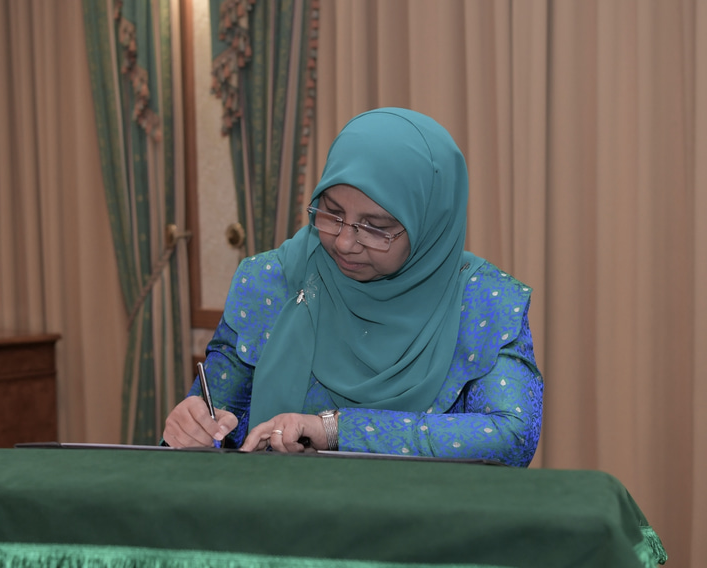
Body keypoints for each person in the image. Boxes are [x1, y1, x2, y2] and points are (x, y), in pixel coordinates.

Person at [163, 107, 543, 467]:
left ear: (431, 224)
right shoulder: (273, 281)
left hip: (426, 513)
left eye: (376, 228)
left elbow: (510, 436)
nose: (344, 243)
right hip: (277, 508)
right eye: (332, 213)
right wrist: (195, 427)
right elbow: (220, 416)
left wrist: (335, 430)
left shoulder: (483, 301)